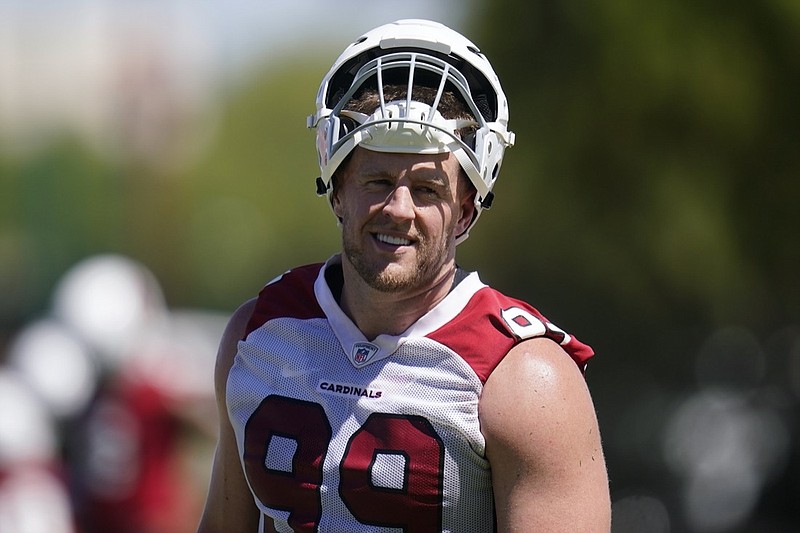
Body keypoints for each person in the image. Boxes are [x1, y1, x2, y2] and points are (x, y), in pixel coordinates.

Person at [197, 19, 611, 532]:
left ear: (466, 210)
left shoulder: (526, 380)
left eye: (428, 189)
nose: (399, 208)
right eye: (377, 180)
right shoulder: (256, 335)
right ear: (337, 189)